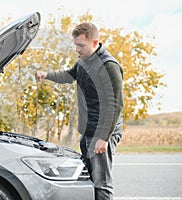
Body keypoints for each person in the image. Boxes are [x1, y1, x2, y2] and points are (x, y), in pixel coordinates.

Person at [35, 22, 124, 200]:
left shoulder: (108, 66)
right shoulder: (83, 63)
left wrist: (104, 138)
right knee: (88, 180)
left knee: (101, 183)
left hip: (102, 132)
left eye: (81, 45)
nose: (77, 49)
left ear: (94, 42)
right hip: (89, 129)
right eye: (75, 45)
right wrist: (47, 75)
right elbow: (68, 75)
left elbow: (115, 104)